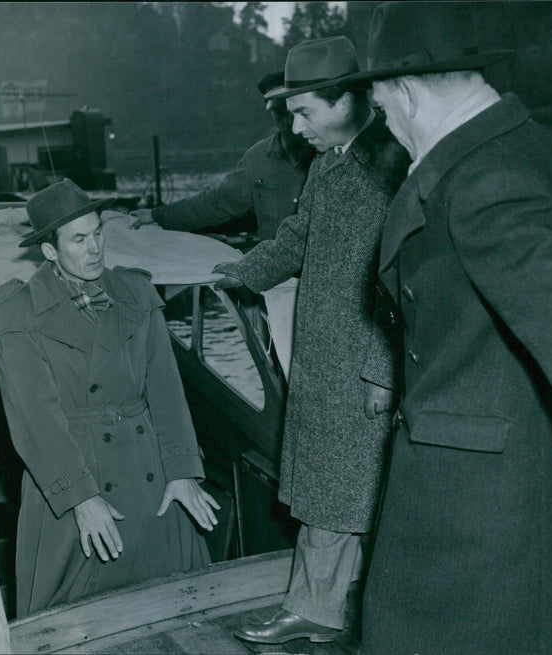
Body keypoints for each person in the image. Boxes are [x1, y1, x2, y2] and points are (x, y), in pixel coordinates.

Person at [343, 3, 552, 654]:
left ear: (403, 92)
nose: (386, 123)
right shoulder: (514, 144)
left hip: (476, 536)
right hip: (499, 509)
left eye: (381, 105)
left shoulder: (485, 180)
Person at [212, 37, 409, 646]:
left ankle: (319, 610)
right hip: (325, 360)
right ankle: (328, 607)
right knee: (337, 491)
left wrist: (380, 374)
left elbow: (400, 280)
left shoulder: (392, 168)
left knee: (343, 494)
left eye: (305, 113)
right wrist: (237, 272)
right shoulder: (330, 165)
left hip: (360, 368)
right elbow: (299, 237)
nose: (295, 129)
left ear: (349, 99)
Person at [0, 179, 219, 618]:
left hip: (153, 478)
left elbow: (167, 392)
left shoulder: (135, 292)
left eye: (98, 233)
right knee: (73, 623)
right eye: (79, 239)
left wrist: (183, 470)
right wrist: (81, 498)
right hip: (72, 478)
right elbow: (35, 418)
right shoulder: (16, 314)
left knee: (178, 608)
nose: (95, 249)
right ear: (50, 251)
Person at [130, 71, 315, 377]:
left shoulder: (329, 155)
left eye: (293, 111)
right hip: (275, 292)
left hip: (323, 291)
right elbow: (215, 203)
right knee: (282, 375)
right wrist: (156, 216)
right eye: (278, 113)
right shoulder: (258, 159)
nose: (287, 123)